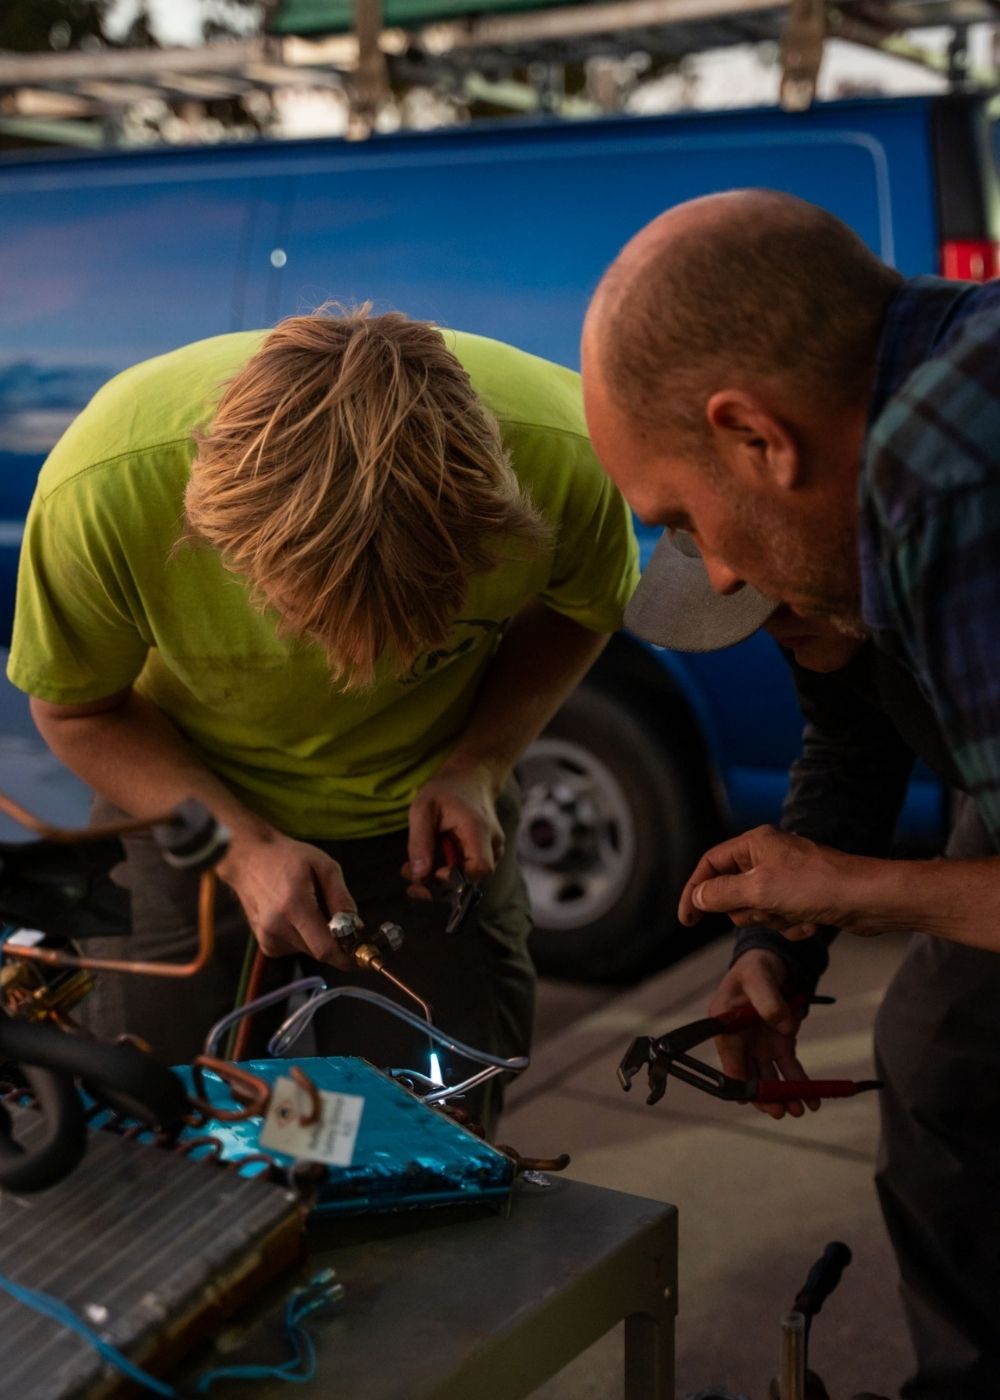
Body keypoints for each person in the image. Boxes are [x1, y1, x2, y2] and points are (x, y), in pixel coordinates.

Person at [9, 307, 638, 1133]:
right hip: (185, 818)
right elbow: (78, 711)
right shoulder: (109, 486)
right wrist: (240, 846)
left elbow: (586, 609)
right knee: (158, 1119)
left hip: (425, 834)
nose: (366, 682)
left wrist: (479, 762)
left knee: (419, 1130)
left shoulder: (566, 456)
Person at [581, 189, 1000, 1396]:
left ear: (758, 437)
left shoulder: (946, 480)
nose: (714, 571)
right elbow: (855, 736)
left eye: (685, 518)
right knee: (946, 1044)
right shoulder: (915, 373)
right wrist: (784, 938)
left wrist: (857, 888)